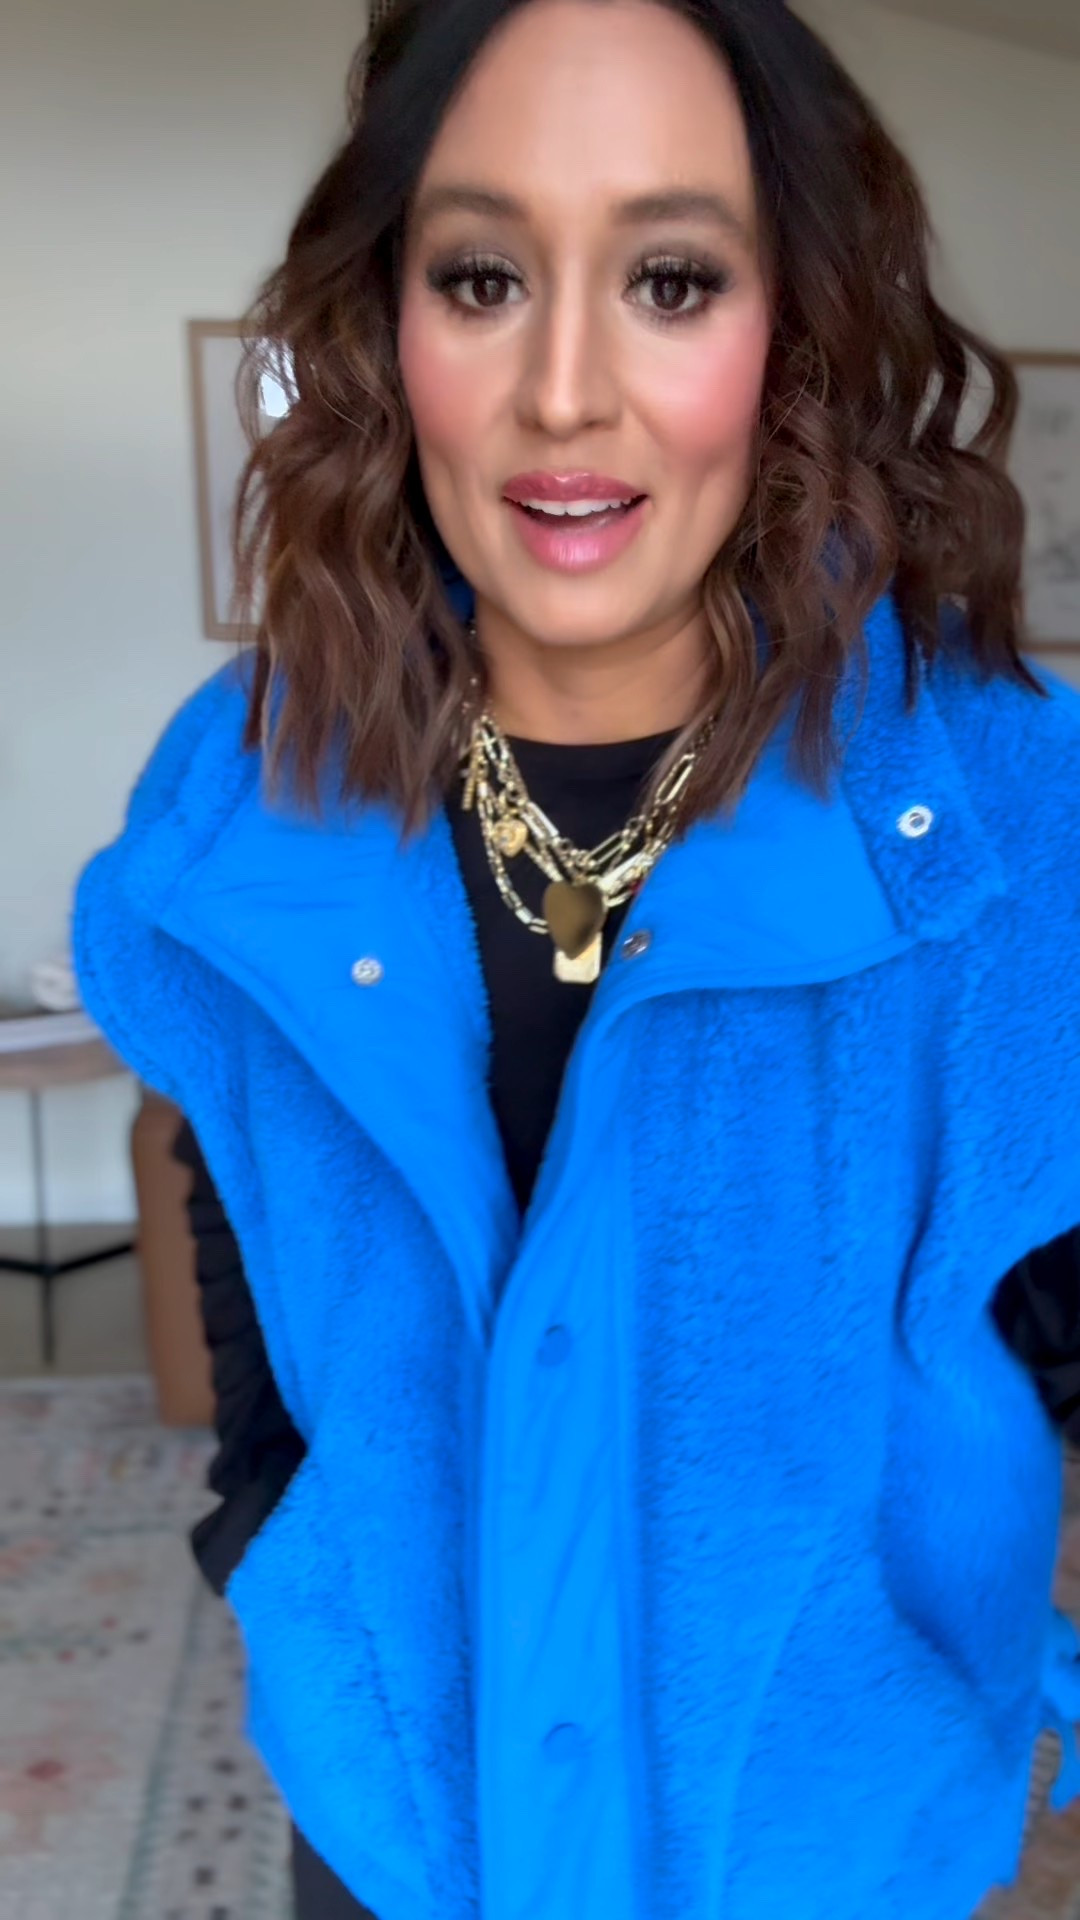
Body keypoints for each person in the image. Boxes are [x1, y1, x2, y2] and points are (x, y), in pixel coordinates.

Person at [72, 0, 1080, 1915]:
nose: (562, 392)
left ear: (796, 333)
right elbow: (243, 1201)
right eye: (483, 277)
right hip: (394, 1828)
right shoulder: (245, 794)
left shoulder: (1011, 830)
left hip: (820, 1851)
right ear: (388, 327)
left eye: (671, 280)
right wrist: (273, 1540)